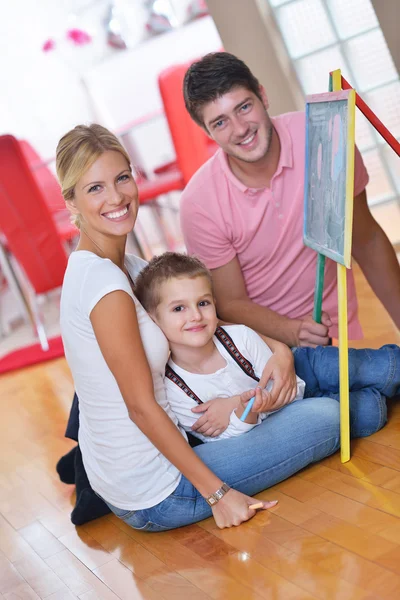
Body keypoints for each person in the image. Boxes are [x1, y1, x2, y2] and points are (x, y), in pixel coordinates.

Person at [56, 123, 341, 532]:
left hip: (166, 451)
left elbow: (212, 323)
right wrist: (218, 496)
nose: (117, 197)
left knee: (329, 391)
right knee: (332, 416)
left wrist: (279, 350)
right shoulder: (104, 285)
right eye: (95, 188)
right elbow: (139, 407)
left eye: (122, 178)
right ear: (72, 201)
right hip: (158, 488)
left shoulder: (130, 268)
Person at [180, 52, 400, 349]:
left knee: (378, 376)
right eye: (220, 122)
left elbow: (367, 241)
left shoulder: (323, 138)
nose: (240, 129)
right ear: (207, 131)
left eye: (244, 107)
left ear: (262, 95)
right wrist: (291, 331)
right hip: (266, 348)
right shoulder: (199, 203)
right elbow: (230, 302)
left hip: (328, 334)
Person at [135, 252, 399, 441]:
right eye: (179, 308)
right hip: (287, 419)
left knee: (384, 367)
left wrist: (236, 404)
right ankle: (379, 394)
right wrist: (245, 412)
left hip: (303, 372)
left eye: (203, 303)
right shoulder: (173, 388)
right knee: (370, 411)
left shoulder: (239, 336)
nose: (195, 316)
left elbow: (292, 388)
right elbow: (220, 439)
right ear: (153, 319)